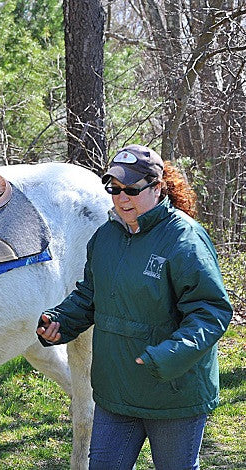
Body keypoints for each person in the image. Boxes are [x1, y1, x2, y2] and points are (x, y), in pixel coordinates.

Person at [36, 144, 232, 469]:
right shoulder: (105, 237)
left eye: (131, 189)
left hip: (173, 393)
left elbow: (211, 313)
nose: (121, 197)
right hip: (116, 393)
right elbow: (90, 296)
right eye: (114, 188)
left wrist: (166, 356)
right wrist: (60, 322)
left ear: (157, 188)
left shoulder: (184, 239)